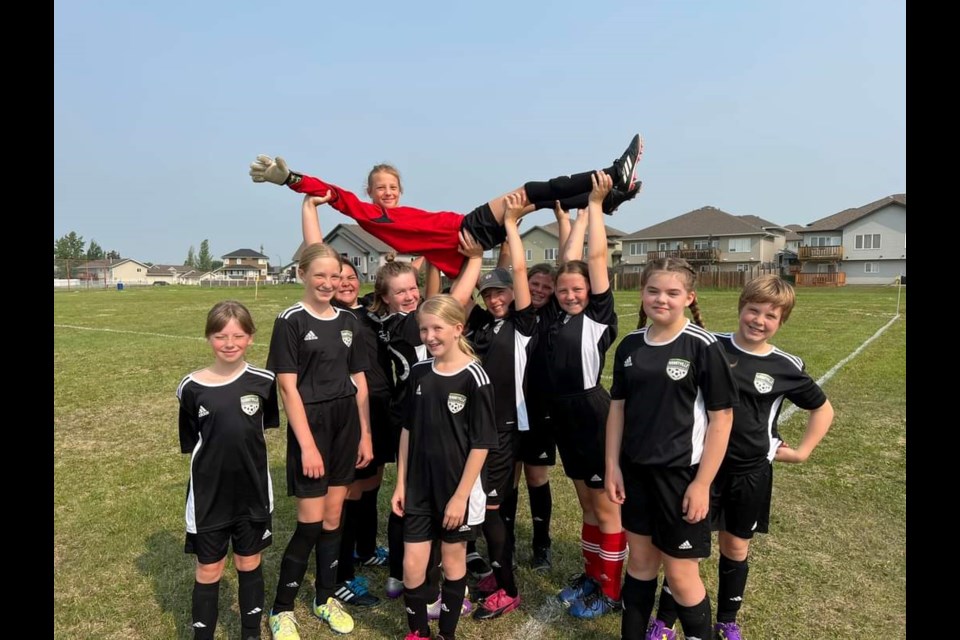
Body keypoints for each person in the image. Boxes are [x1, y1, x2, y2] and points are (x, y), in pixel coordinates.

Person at [645, 275, 834, 640]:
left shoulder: (786, 366)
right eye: (753, 311)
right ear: (740, 309)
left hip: (750, 473)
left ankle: (727, 620)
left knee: (735, 546)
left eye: (770, 316)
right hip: (702, 469)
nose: (759, 321)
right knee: (684, 551)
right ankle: (665, 620)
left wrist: (803, 451)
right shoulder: (711, 347)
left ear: (782, 322)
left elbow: (822, 409)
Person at [248, 133, 643, 278]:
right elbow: (335, 195)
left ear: (400, 189)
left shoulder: (400, 213)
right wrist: (292, 179)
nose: (386, 192)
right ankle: (610, 174)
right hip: (469, 229)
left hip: (466, 229)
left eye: (392, 186)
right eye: (379, 188)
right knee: (533, 190)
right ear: (369, 193)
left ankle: (609, 196)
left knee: (539, 199)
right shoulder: (369, 213)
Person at [604, 257, 739, 640]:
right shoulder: (630, 345)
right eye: (653, 290)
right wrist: (612, 465)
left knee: (681, 575)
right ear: (641, 293)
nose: (661, 299)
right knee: (641, 564)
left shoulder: (702, 345)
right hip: (635, 473)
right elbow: (618, 409)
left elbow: (722, 419)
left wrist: (701, 484)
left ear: (688, 297)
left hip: (682, 478)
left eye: (672, 292)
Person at [265, 242, 374, 639]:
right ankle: (282, 608)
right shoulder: (290, 320)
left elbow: (359, 381)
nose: (329, 283)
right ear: (303, 275)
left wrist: (364, 433)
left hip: (346, 423)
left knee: (333, 519)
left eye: (336, 276)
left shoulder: (349, 322)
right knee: (309, 524)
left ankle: (325, 597)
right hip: (312, 425)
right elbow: (287, 388)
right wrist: (307, 446)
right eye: (321, 275)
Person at [535, 173, 625, 619]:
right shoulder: (554, 314)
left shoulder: (599, 317)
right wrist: (567, 220)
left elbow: (591, 256)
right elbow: (568, 259)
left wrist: (594, 206)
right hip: (562, 417)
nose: (571, 294)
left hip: (592, 414)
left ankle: (611, 592)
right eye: (565, 289)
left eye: (579, 289)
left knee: (607, 508)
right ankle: (593, 576)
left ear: (591, 294)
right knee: (587, 505)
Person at [391, 294, 499, 640]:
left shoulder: (475, 377)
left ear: (457, 328)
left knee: (453, 563)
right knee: (411, 566)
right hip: (420, 486)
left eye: (437, 327)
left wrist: (460, 497)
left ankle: (446, 634)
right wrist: (401, 483)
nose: (429, 336)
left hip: (457, 488)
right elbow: (408, 429)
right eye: (423, 329)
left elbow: (481, 443)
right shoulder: (421, 372)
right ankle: (419, 632)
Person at [299, 196, 387, 609]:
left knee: (369, 485)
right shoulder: (329, 311)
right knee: (346, 494)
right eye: (339, 277)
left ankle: (366, 548)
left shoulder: (369, 312)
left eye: (351, 277)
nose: (345, 282)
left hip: (373, 412)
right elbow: (318, 255)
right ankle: (342, 573)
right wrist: (309, 211)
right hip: (339, 415)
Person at [176, 300, 280, 640]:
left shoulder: (264, 382)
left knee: (249, 562)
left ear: (250, 337)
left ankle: (251, 633)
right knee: (209, 567)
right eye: (221, 336)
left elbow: (260, 432)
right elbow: (193, 440)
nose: (230, 343)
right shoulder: (191, 387)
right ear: (209, 338)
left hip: (252, 492)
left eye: (238, 335)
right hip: (210, 495)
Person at [462, 192, 538, 620]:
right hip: (477, 425)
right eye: (489, 293)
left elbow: (520, 269)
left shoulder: (522, 324)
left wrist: (510, 224)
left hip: (504, 428)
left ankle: (508, 589)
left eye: (501, 292)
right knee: (490, 507)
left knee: (492, 508)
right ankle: (496, 570)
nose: (495, 298)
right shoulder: (481, 324)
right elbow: (456, 298)